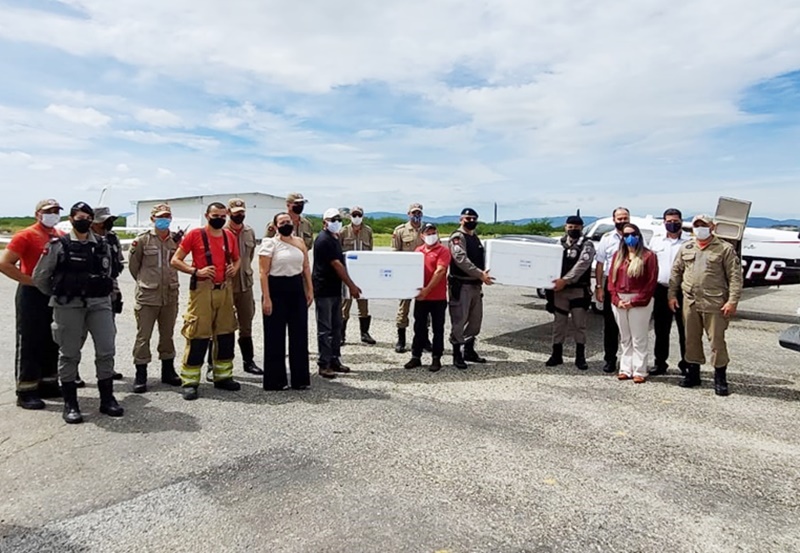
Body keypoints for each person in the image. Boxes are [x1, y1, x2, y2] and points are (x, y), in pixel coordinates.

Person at [32, 202, 123, 423]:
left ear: (92, 220)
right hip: (68, 305)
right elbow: (40, 278)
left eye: (87, 217)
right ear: (72, 219)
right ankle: (70, 403)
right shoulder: (58, 245)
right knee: (69, 353)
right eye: (79, 217)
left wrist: (112, 295)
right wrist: (61, 294)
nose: (83, 220)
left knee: (106, 350)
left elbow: (110, 272)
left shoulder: (102, 244)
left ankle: (107, 398)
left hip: (99, 304)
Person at [170, 202, 242, 400]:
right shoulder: (195, 235)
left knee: (226, 333)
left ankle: (223, 376)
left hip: (224, 289)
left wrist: (235, 268)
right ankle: (190, 381)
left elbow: (237, 259)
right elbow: (175, 260)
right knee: (198, 335)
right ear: (207, 215)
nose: (219, 218)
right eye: (215, 215)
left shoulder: (229, 236)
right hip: (202, 290)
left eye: (222, 215)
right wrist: (195, 271)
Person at [0, 199, 64, 409]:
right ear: (38, 214)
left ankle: (48, 383)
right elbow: (5, 263)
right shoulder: (26, 235)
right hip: (32, 293)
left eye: (56, 211)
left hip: (53, 293)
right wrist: (31, 281)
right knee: (30, 340)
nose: (53, 214)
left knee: (52, 339)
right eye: (48, 211)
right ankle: (26, 390)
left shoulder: (59, 235)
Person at [669, 214, 743, 396]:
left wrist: (732, 301)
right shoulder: (686, 247)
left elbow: (735, 276)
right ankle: (693, 374)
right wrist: (672, 295)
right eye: (697, 225)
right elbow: (676, 272)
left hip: (715, 302)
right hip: (690, 301)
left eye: (704, 225)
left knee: (717, 341)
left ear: (712, 227)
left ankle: (720, 378)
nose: (700, 228)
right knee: (691, 339)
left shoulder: (724, 249)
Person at [128, 203, 183, 393]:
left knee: (167, 335)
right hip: (148, 296)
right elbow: (134, 267)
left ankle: (168, 371)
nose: (164, 219)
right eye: (160, 216)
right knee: (144, 336)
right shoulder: (142, 240)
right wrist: (147, 282)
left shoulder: (175, 241)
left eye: (167, 215)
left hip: (170, 295)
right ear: (152, 219)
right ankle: (141, 374)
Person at [205, 198, 263, 380]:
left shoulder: (249, 232)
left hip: (245, 285)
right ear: (229, 213)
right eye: (236, 212)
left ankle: (248, 361)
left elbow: (248, 256)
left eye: (242, 211)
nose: (240, 215)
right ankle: (212, 364)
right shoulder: (220, 232)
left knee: (246, 324)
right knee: (219, 326)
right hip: (225, 286)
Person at [259, 212, 313, 390]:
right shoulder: (270, 244)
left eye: (288, 221)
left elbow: (305, 267)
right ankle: (275, 380)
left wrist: (309, 289)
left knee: (299, 334)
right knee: (275, 336)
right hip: (276, 288)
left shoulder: (299, 241)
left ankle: (300, 379)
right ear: (275, 226)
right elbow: (263, 273)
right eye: (282, 222)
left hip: (296, 288)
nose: (286, 224)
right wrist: (266, 298)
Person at [312, 208, 363, 378]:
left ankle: (335, 359)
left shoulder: (335, 238)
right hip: (324, 289)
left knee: (336, 326)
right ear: (324, 222)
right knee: (325, 328)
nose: (336, 222)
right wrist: (352, 286)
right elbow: (336, 264)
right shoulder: (323, 239)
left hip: (334, 289)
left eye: (339, 219)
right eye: (333, 219)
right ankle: (324, 363)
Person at [607, 223, 658, 383]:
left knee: (639, 337)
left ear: (639, 236)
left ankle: (640, 370)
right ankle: (625, 368)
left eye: (633, 234)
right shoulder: (618, 256)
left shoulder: (649, 256)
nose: (630, 238)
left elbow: (651, 283)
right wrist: (616, 299)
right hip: (620, 299)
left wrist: (635, 301)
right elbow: (611, 280)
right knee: (625, 337)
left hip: (639, 300)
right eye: (626, 235)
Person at [545, 211, 595, 370]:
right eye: (570, 226)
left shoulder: (587, 245)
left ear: (582, 228)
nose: (573, 229)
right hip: (559, 292)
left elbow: (582, 265)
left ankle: (580, 357)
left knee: (579, 324)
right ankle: (556, 355)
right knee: (559, 324)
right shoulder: (558, 244)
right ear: (565, 227)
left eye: (576, 227)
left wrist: (565, 281)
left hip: (578, 290)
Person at [448, 208, 494, 369]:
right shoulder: (457, 237)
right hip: (461, 285)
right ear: (461, 219)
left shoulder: (475, 238)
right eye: (468, 218)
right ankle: (457, 354)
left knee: (475, 320)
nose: (471, 220)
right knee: (459, 320)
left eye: (474, 218)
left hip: (476, 285)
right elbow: (461, 259)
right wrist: (481, 274)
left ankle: (469, 350)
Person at [404, 223, 451, 372]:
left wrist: (427, 289)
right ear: (422, 236)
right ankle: (415, 356)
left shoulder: (443, 251)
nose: (431, 235)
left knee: (438, 329)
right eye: (428, 233)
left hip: (437, 297)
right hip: (421, 298)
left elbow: (440, 271)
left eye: (433, 232)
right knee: (419, 327)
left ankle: (436, 358)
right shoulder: (418, 251)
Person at [648, 208, 690, 376]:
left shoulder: (688, 242)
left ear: (681, 221)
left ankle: (687, 364)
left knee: (685, 330)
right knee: (661, 329)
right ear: (664, 222)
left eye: (675, 221)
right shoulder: (656, 241)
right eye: (669, 221)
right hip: (661, 289)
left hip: (683, 291)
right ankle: (660, 362)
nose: (672, 224)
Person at [89, 206, 125, 381]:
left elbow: (118, 264)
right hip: (86, 293)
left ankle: (107, 370)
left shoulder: (112, 238)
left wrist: (116, 291)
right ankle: (74, 375)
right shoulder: (84, 238)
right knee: (78, 335)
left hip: (109, 290)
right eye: (104, 220)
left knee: (108, 334)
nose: (107, 223)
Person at [594, 207, 631, 373]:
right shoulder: (607, 238)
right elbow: (600, 264)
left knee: (630, 326)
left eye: (625, 218)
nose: (622, 221)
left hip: (631, 284)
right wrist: (599, 286)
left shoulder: (636, 237)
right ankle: (610, 359)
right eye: (619, 218)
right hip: (611, 283)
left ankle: (629, 361)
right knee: (610, 325)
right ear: (613, 219)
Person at [339, 205, 376, 345]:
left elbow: (370, 250)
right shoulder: (343, 231)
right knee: (344, 306)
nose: (356, 217)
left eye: (358, 215)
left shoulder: (368, 231)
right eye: (354, 215)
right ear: (350, 216)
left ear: (362, 216)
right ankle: (341, 335)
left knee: (363, 305)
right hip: (347, 274)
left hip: (363, 274)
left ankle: (364, 333)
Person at [391, 202, 425, 353]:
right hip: (405, 275)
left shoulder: (427, 229)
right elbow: (395, 253)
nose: (416, 215)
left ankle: (424, 339)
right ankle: (401, 339)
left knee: (425, 308)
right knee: (403, 308)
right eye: (413, 212)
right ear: (408, 214)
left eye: (418, 212)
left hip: (424, 274)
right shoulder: (400, 231)